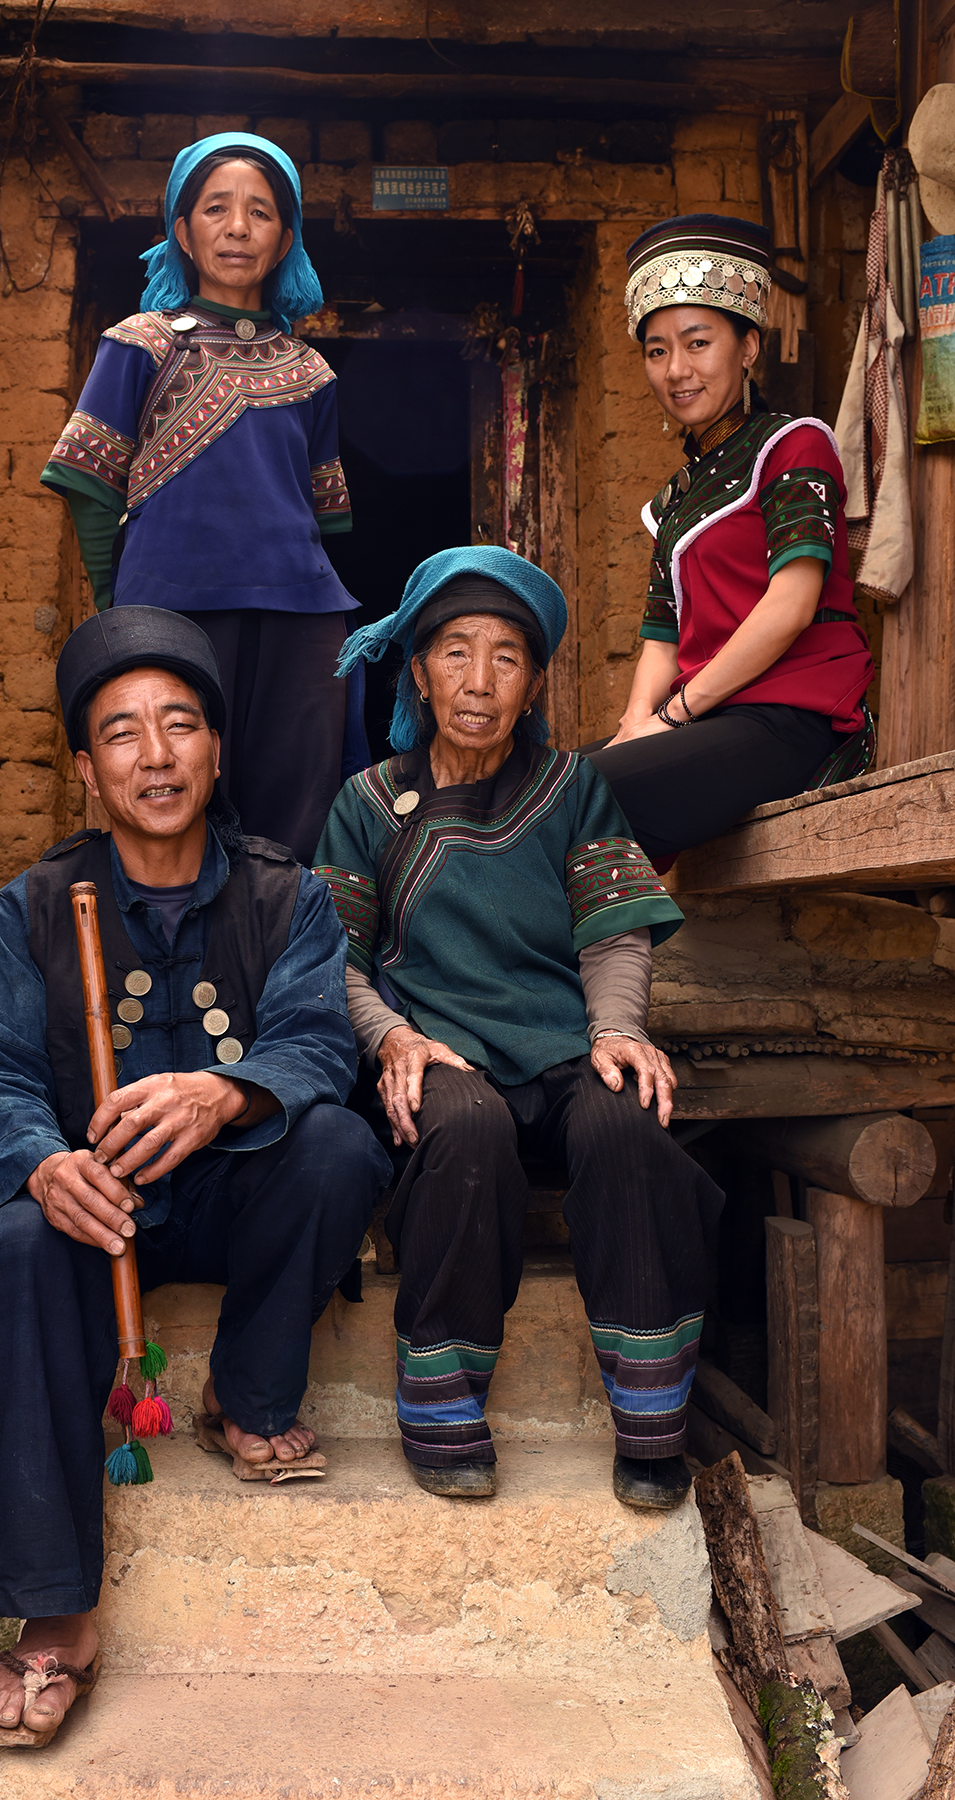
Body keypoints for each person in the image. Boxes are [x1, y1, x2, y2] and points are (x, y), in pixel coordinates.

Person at [0, 606, 390, 1746]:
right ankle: (54, 1619)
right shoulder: (32, 908)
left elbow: (316, 1043)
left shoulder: (285, 895)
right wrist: (44, 1165)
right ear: (86, 770)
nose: (156, 755)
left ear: (217, 748)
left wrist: (226, 1094)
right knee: (8, 1241)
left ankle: (244, 1400)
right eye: (123, 734)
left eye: (180, 725)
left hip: (231, 1194)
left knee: (341, 1143)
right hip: (99, 1220)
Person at [314, 546, 723, 1509]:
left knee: (627, 1124)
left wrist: (618, 1031)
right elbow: (333, 961)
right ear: (417, 670)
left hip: (561, 1043)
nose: (478, 680)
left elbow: (613, 931)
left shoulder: (572, 788)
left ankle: (653, 1417)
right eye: (455, 652)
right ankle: (441, 1400)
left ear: (534, 680)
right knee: (466, 1130)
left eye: (506, 656)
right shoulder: (368, 803)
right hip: (440, 1047)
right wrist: (392, 1040)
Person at [41, 132, 365, 864]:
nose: (238, 227)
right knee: (179, 792)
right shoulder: (141, 344)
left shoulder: (309, 369)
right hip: (173, 610)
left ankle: (287, 953)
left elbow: (323, 516)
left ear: (286, 240)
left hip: (302, 617)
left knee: (299, 799)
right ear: (182, 231)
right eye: (216, 209)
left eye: (260, 212)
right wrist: (119, 610)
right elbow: (90, 489)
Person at [582, 214, 874, 869]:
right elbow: (661, 632)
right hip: (710, 722)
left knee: (584, 796)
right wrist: (635, 724)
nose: (675, 370)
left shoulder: (793, 445)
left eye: (696, 343)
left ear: (747, 346)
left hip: (792, 716)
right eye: (656, 350)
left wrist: (678, 713)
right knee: (532, 795)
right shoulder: (675, 496)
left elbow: (791, 604)